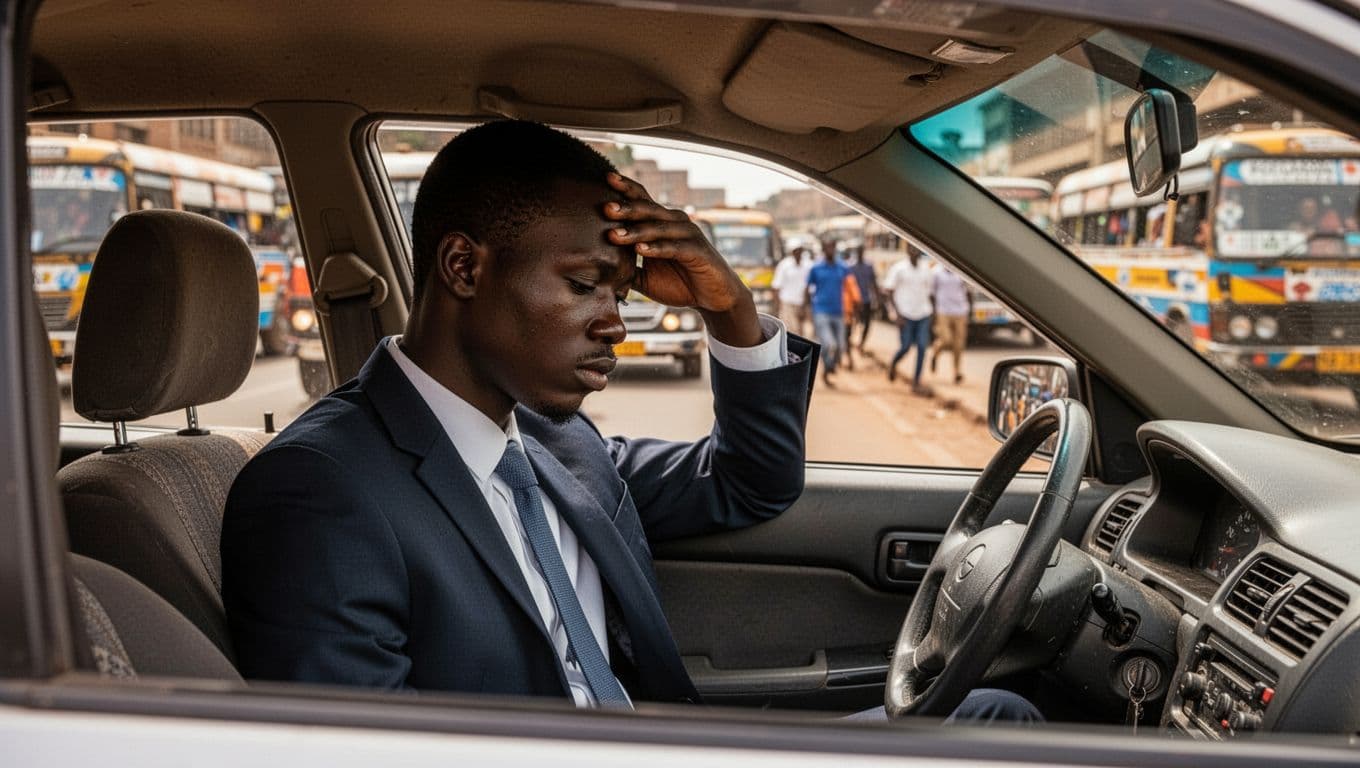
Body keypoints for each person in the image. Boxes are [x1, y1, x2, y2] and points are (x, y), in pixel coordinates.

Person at [222, 120, 1038, 724]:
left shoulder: (551, 440)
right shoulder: (319, 491)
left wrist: (732, 311)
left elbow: (750, 484)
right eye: (585, 284)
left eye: (622, 291)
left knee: (994, 717)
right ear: (464, 267)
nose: (619, 322)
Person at [882, 245, 934, 395]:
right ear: (908, 251)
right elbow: (889, 292)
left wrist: (933, 314)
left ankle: (916, 381)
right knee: (905, 347)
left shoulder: (926, 269)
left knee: (922, 347)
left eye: (917, 249)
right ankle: (893, 364)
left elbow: (930, 293)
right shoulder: (899, 269)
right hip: (905, 315)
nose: (915, 252)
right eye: (912, 249)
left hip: (923, 314)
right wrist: (896, 314)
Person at [804, 244, 850, 387]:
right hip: (821, 310)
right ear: (824, 250)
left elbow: (850, 286)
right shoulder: (816, 268)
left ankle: (829, 366)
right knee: (829, 343)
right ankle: (828, 366)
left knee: (841, 346)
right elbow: (807, 289)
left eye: (833, 248)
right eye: (828, 248)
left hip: (838, 311)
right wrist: (807, 309)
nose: (831, 250)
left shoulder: (842, 267)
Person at [928, 264, 972, 385]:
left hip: (960, 311)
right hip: (943, 311)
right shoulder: (936, 272)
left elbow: (968, 291)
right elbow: (931, 294)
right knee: (946, 339)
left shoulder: (961, 271)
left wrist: (970, 311)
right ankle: (935, 353)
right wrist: (933, 313)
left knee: (959, 345)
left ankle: (957, 372)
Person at [845, 244, 877, 354]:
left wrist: (876, 298)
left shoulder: (869, 266)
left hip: (866, 300)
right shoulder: (849, 266)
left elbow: (873, 282)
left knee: (867, 324)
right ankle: (849, 343)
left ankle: (861, 344)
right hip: (853, 302)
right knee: (851, 324)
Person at [772, 244, 810, 336]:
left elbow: (808, 287)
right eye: (796, 250)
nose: (798, 253)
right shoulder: (784, 265)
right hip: (787, 304)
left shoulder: (807, 265)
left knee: (801, 333)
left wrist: (806, 305)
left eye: (800, 250)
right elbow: (776, 286)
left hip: (801, 304)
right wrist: (777, 307)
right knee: (792, 332)